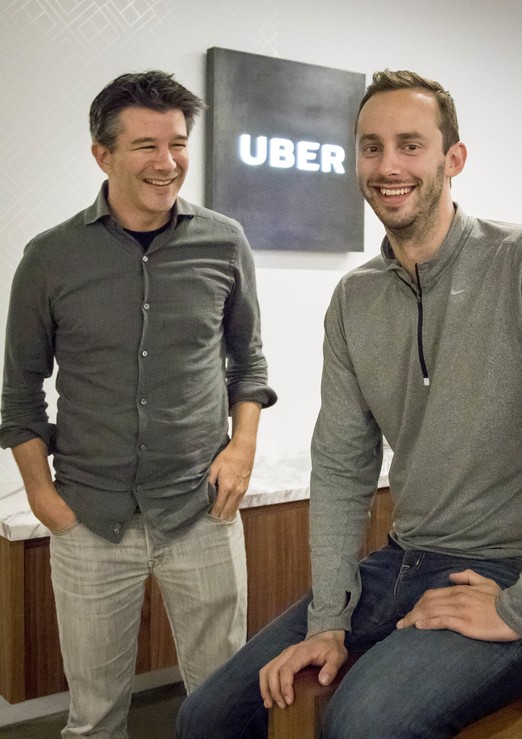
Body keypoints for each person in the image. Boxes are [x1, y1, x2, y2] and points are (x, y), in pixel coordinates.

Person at [176, 69, 522, 738]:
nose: (388, 165)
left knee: (360, 724)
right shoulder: (354, 299)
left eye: (410, 144)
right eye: (371, 147)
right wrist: (329, 618)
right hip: (401, 563)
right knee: (208, 714)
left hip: (520, 570)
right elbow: (340, 467)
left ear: (454, 159)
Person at [0, 70, 276, 737]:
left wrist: (242, 448)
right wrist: (42, 494)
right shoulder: (51, 257)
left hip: (202, 508)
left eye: (178, 142)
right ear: (103, 154)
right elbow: (19, 390)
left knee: (222, 704)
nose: (168, 161)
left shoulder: (224, 241)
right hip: (90, 518)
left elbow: (249, 361)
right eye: (147, 145)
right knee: (94, 716)